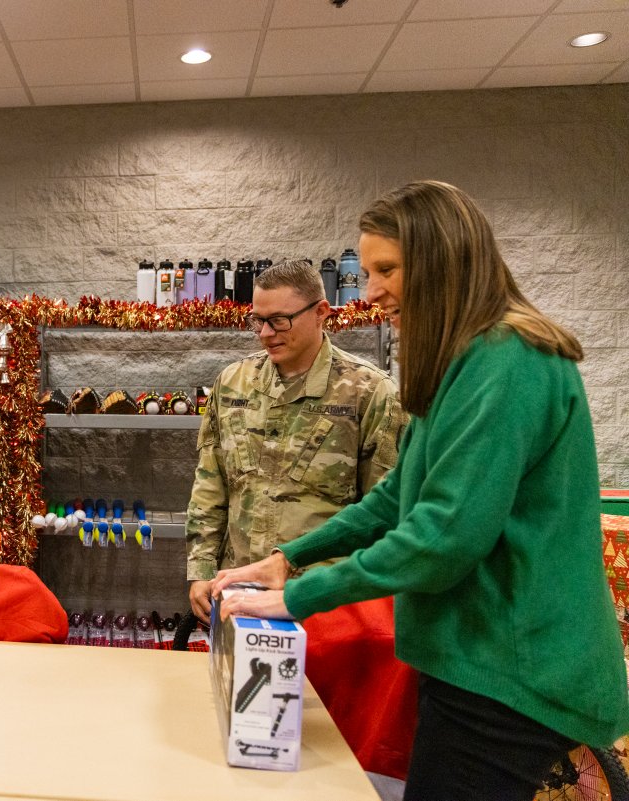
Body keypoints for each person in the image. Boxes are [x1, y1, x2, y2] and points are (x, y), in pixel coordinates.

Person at [213, 181, 629, 801]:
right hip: (474, 660)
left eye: (387, 269)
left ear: (441, 262)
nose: (370, 288)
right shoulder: (461, 360)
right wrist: (287, 560)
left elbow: (441, 538)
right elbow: (393, 499)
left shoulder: (507, 360)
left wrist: (303, 596)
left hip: (513, 673)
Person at [186, 258, 406, 623]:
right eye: (258, 320)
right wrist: (201, 570)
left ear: (321, 312)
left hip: (325, 605)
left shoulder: (371, 393)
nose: (265, 333)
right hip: (238, 592)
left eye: (279, 320)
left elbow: (384, 511)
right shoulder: (232, 383)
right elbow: (211, 486)